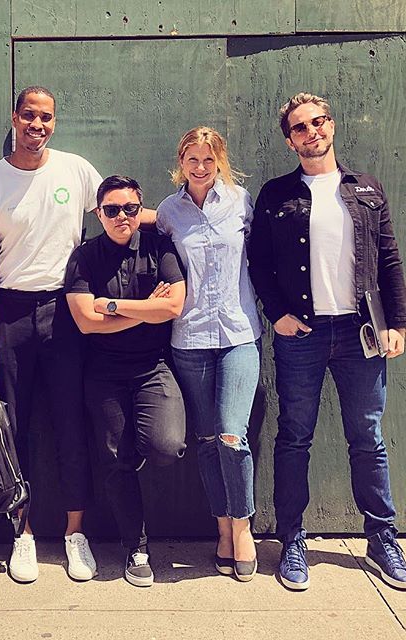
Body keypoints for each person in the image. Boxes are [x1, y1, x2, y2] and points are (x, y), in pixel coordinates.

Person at [248, 92, 406, 591]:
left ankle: (382, 538)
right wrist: (278, 315)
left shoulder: (367, 190)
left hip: (360, 331)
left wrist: (396, 323)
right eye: (300, 127)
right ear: (290, 139)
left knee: (368, 436)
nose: (311, 131)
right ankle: (292, 538)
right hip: (304, 335)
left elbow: (390, 262)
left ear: (331, 126)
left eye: (318, 122)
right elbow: (259, 264)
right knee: (295, 435)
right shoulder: (277, 195)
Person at [0, 86, 107, 583]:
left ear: (55, 122)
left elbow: (118, 214)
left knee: (71, 424)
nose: (38, 124)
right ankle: (21, 534)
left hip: (66, 309)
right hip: (9, 314)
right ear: (14, 118)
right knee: (14, 427)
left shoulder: (75, 169)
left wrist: (174, 217)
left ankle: (75, 535)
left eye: (46, 117)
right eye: (29, 115)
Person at [65, 175, 186, 587]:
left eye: (130, 209)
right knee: (115, 462)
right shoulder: (84, 257)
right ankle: (136, 547)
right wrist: (144, 308)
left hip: (154, 367)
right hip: (104, 374)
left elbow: (172, 307)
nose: (121, 216)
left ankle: (133, 448)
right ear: (99, 213)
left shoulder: (159, 247)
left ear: (140, 210)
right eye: (112, 209)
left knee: (166, 446)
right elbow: (86, 322)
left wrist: (114, 306)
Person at [157, 127, 262, 582]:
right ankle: (221, 528)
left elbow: (264, 256)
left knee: (231, 436)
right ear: (180, 162)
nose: (200, 168)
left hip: (240, 333)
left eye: (208, 160)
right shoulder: (168, 211)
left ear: (220, 161)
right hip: (190, 338)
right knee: (204, 440)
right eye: (191, 160)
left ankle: (243, 530)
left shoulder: (241, 202)